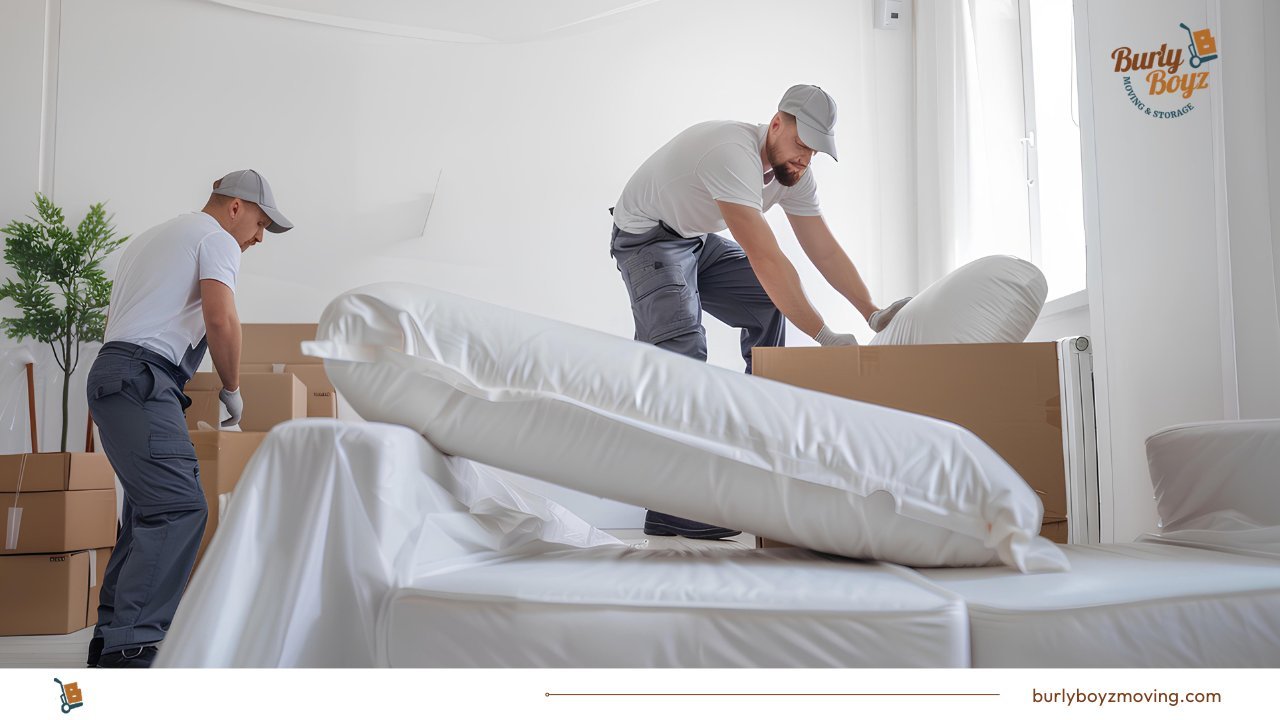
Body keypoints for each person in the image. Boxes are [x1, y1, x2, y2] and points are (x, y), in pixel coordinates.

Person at [610, 85, 910, 540]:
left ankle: (758, 441)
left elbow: (823, 249)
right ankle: (672, 505)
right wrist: (824, 335)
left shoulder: (793, 175)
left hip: (693, 238)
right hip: (647, 236)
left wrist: (872, 312)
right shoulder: (731, 153)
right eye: (800, 143)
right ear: (775, 124)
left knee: (767, 301)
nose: (805, 158)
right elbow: (766, 257)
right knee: (680, 353)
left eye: (815, 150)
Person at [84, 169, 293, 667]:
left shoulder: (151, 239)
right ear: (236, 207)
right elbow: (221, 318)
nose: (259, 238)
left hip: (117, 375)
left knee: (146, 513)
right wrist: (233, 389)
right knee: (179, 508)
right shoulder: (215, 238)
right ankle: (131, 646)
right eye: (261, 224)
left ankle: (112, 637)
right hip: (141, 378)